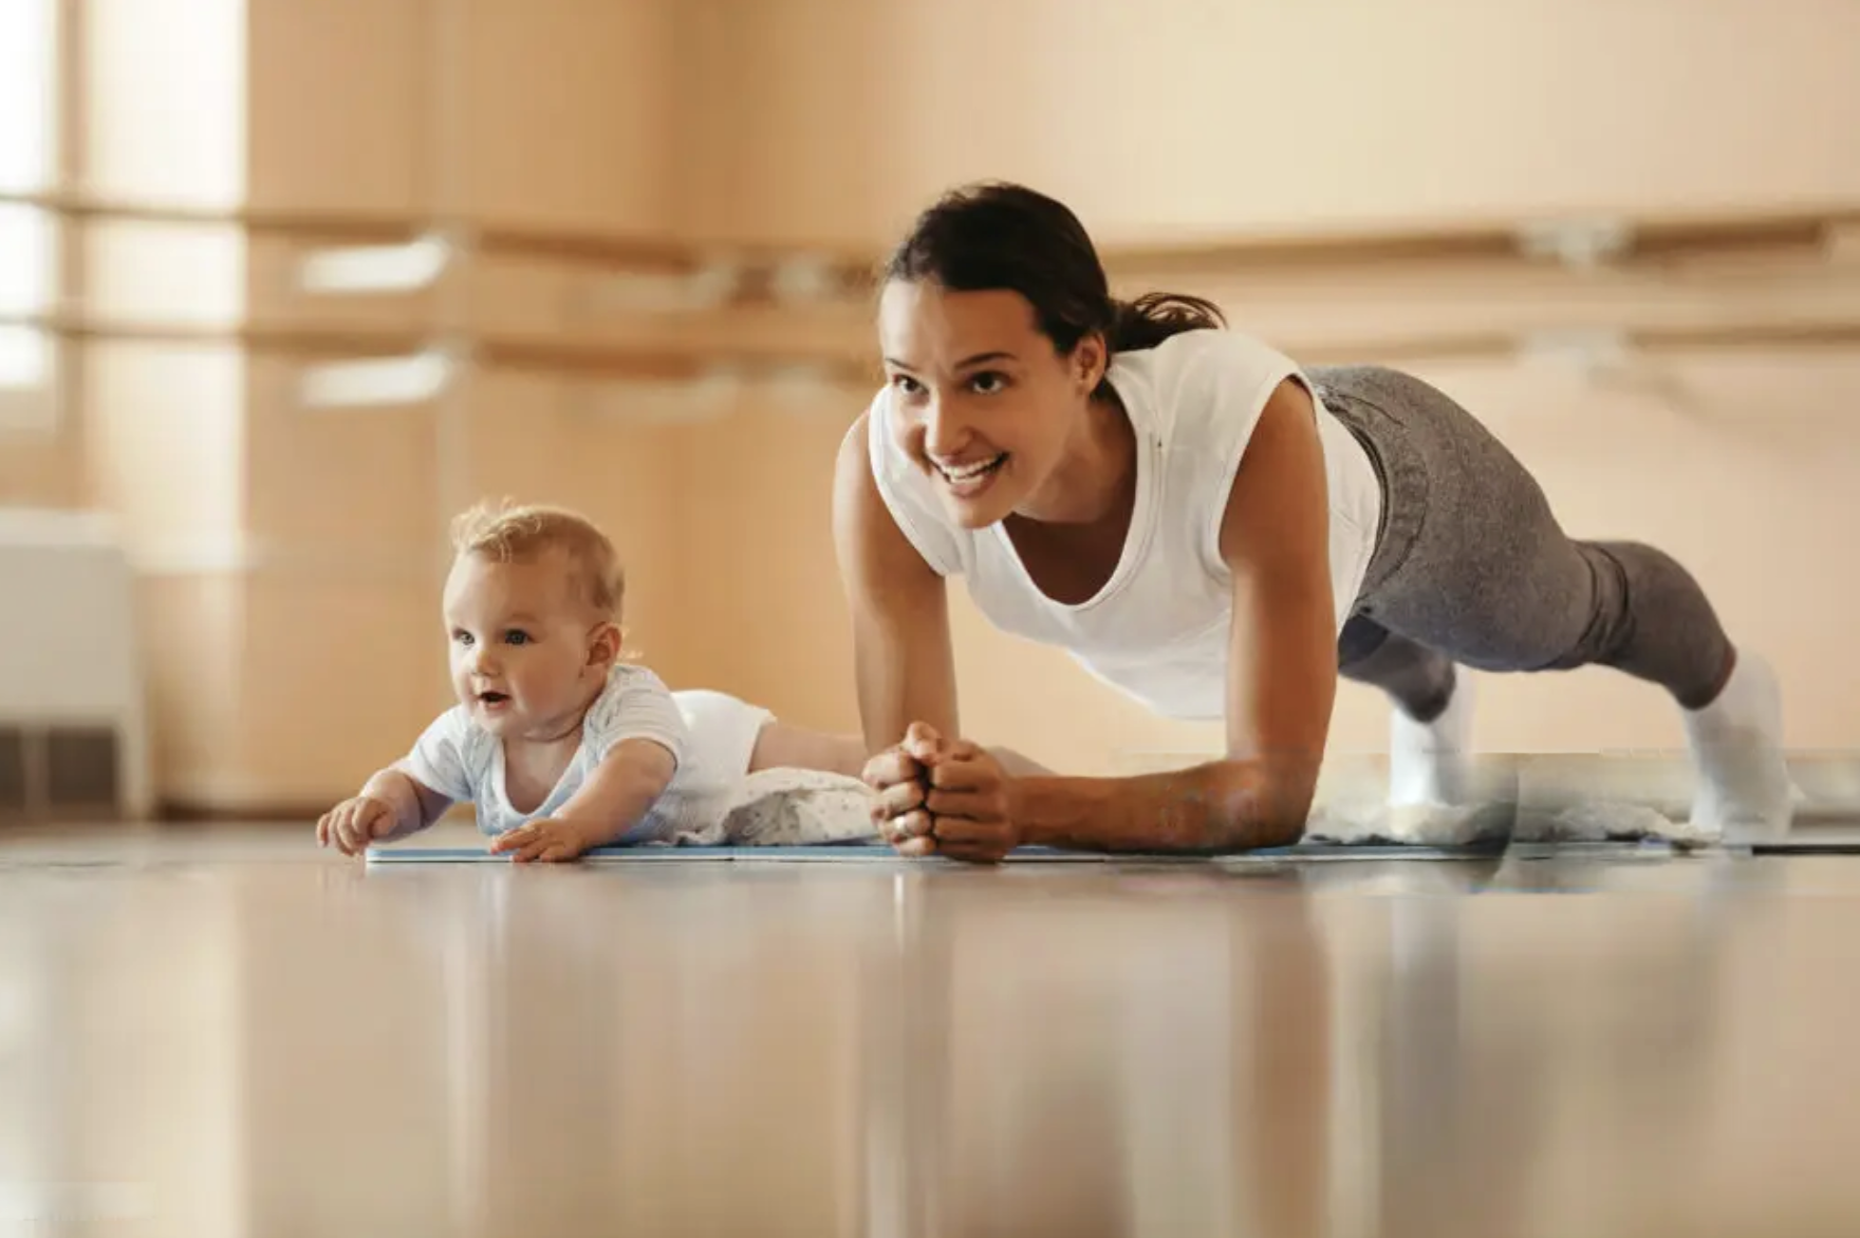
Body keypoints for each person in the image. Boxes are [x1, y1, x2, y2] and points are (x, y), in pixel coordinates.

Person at [835, 181, 1794, 864]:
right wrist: (927, 795)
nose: (939, 431)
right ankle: (1430, 697)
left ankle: (1734, 696)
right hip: (1277, 550)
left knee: (1560, 619)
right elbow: (904, 772)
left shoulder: (1241, 436)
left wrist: (1026, 803)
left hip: (1396, 486)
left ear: (1086, 361)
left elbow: (1269, 796)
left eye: (986, 380)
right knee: (1352, 640)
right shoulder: (885, 472)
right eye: (908, 382)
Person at [317, 500, 867, 861]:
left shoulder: (626, 702)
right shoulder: (469, 735)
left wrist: (574, 826)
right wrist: (380, 807)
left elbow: (638, 775)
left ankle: (918, 755)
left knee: (844, 763)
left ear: (596, 651)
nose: (479, 662)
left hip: (714, 742)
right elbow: (416, 785)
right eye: (463, 637)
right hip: (681, 786)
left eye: (514, 638)